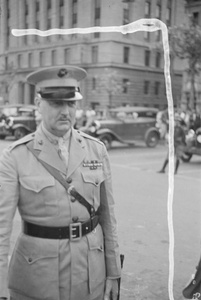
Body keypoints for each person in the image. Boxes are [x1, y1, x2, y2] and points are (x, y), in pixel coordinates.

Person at [0, 66, 121, 300]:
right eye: (56, 104)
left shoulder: (96, 149)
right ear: (39, 103)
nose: (65, 111)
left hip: (90, 274)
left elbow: (108, 217)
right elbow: (1, 227)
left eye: (71, 103)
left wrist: (113, 270)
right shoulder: (16, 155)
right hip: (39, 278)